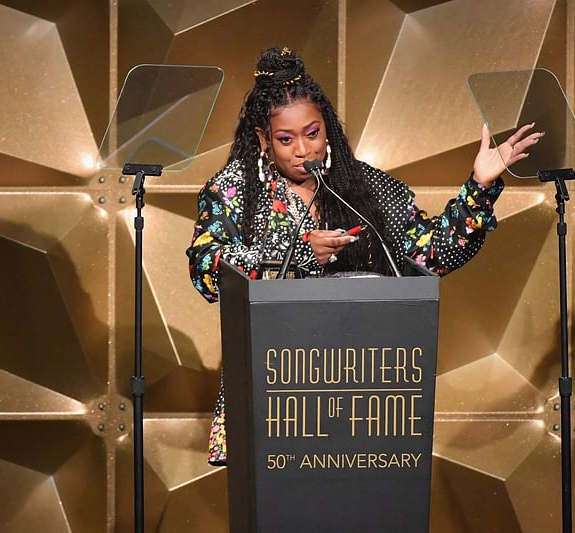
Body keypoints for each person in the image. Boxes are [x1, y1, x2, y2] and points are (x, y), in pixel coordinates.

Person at [186, 46, 541, 465]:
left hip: (358, 389)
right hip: (271, 388)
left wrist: (479, 186)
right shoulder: (234, 189)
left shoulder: (364, 187)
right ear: (264, 138)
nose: (303, 150)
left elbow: (429, 254)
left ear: (328, 129)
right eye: (286, 139)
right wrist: (297, 251)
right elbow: (208, 268)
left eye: (313, 133)